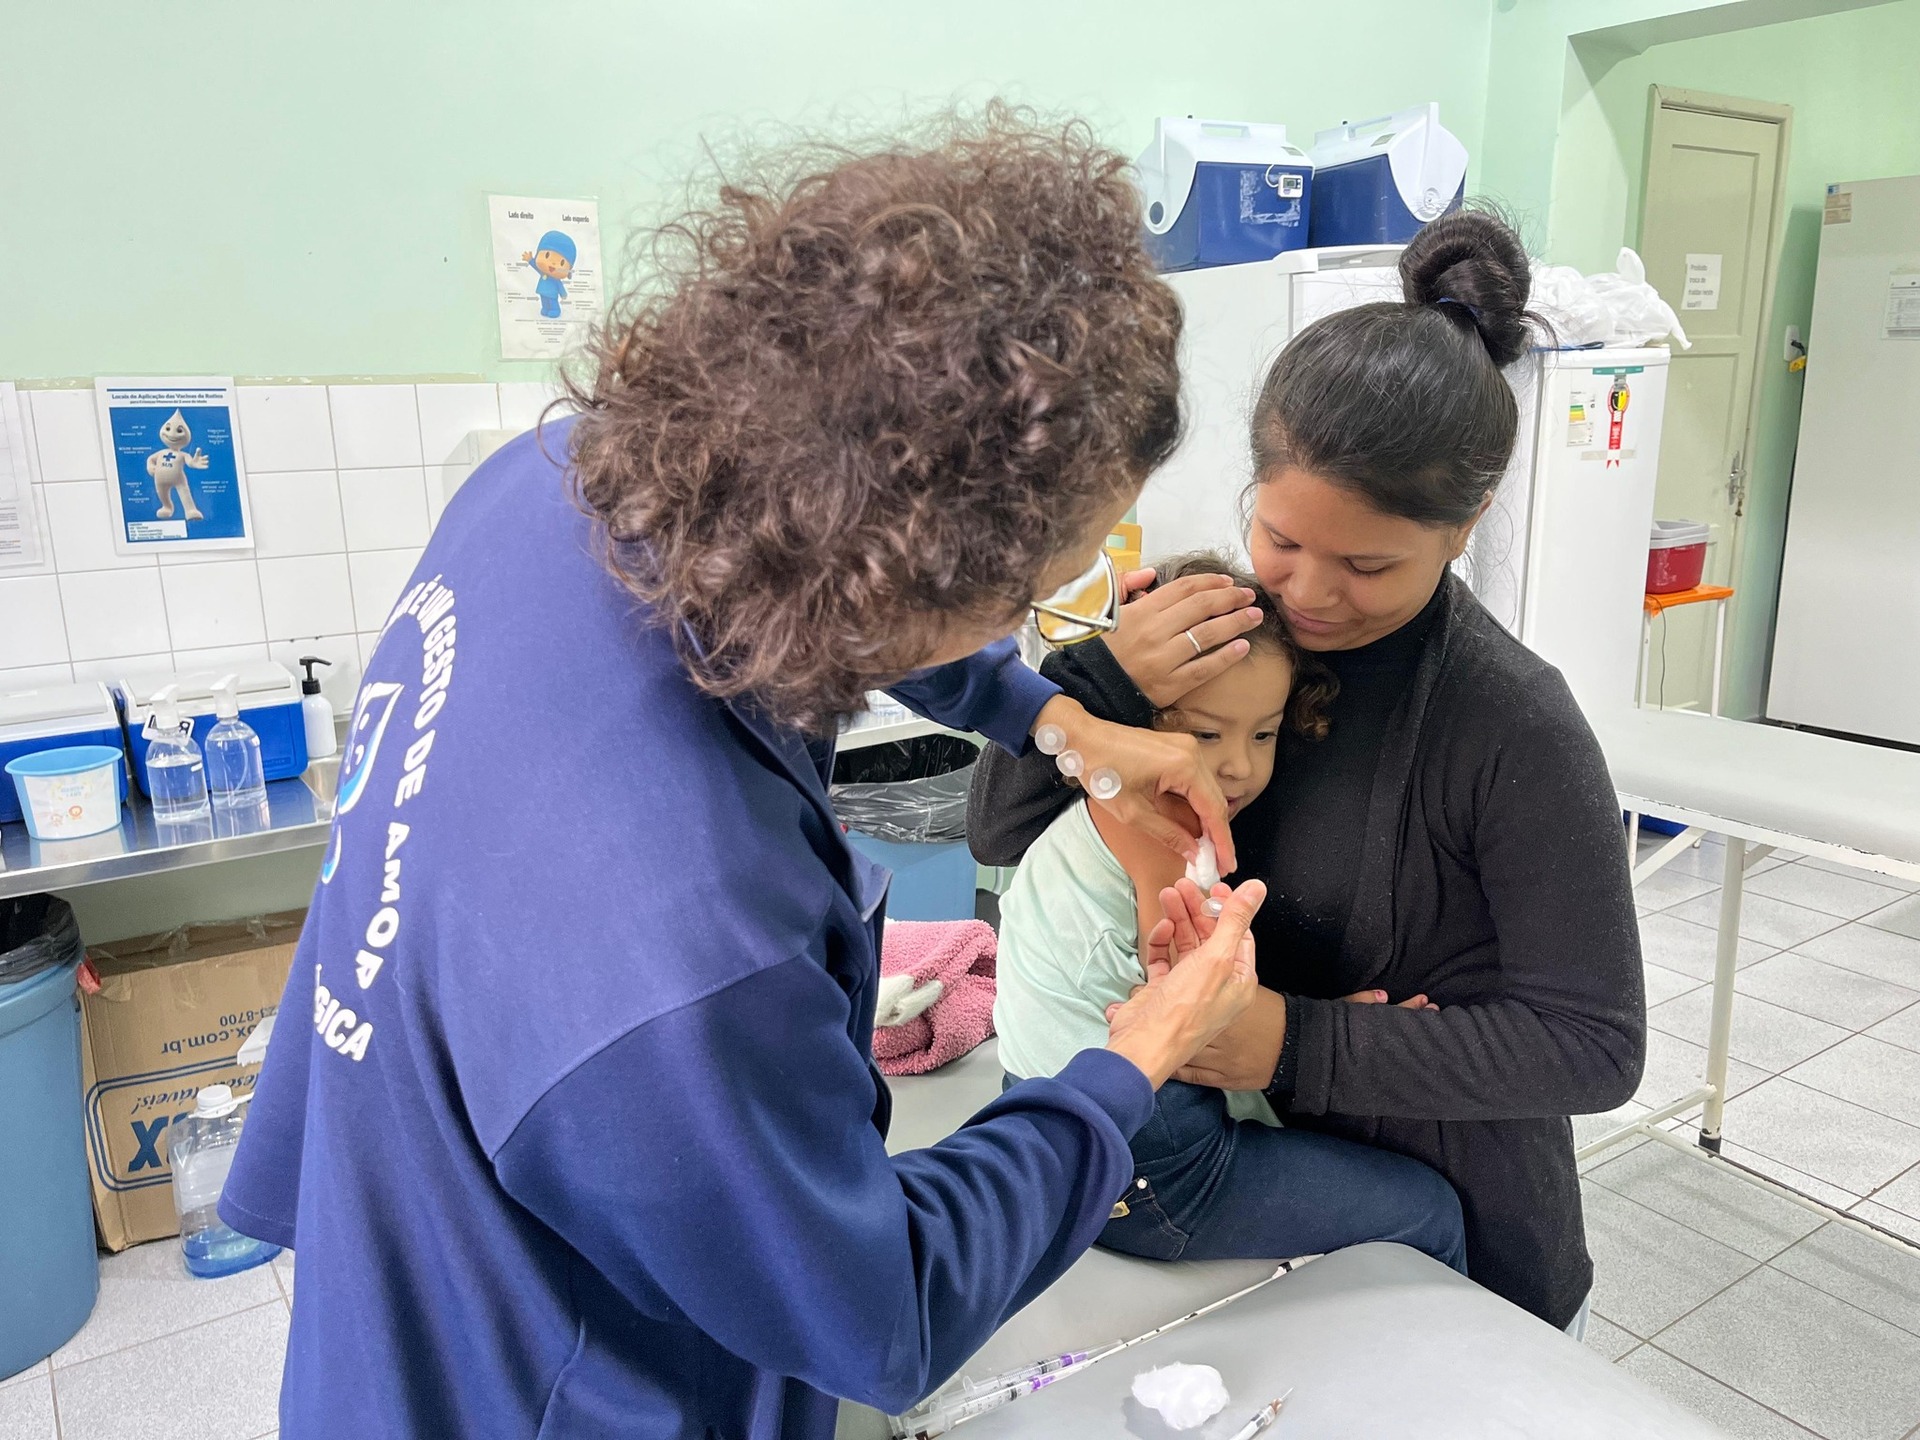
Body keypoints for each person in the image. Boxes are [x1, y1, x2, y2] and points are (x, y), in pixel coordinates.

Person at [220, 110, 1271, 1440]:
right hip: (544, 1388)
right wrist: (1137, 1054)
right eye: (1018, 595)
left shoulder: (558, 489)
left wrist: (1068, 733)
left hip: (398, 1242)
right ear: (919, 566)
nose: (1009, 633)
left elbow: (827, 594)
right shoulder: (684, 942)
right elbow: (880, 1307)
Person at [969, 209, 1647, 1332]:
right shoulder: (1227, 637)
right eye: (1281, 539)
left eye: (1369, 564)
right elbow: (1000, 831)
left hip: (1450, 1248)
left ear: (1466, 525)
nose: (1311, 592)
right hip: (1242, 1230)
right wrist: (1102, 687)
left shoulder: (1511, 724)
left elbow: (1596, 1046)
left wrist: (1285, 1040)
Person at [994, 551, 1468, 1272]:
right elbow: (1191, 1007)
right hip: (1139, 1165)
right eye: (1207, 735)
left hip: (1047, 1121)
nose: (1239, 767)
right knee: (1429, 1210)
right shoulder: (1161, 821)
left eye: (1264, 733)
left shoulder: (1116, 799)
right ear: (1135, 725)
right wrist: (1332, 1030)